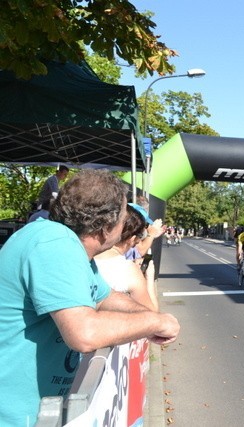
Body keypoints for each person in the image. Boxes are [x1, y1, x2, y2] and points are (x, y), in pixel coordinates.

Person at [0, 169, 180, 425]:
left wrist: (150, 317)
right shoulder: (54, 244)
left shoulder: (69, 245)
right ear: (106, 227)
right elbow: (84, 333)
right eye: (122, 216)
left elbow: (105, 297)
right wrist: (155, 324)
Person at [95, 203, 159, 311]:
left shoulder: (87, 257)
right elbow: (152, 314)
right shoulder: (129, 271)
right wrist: (149, 278)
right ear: (132, 239)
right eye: (140, 236)